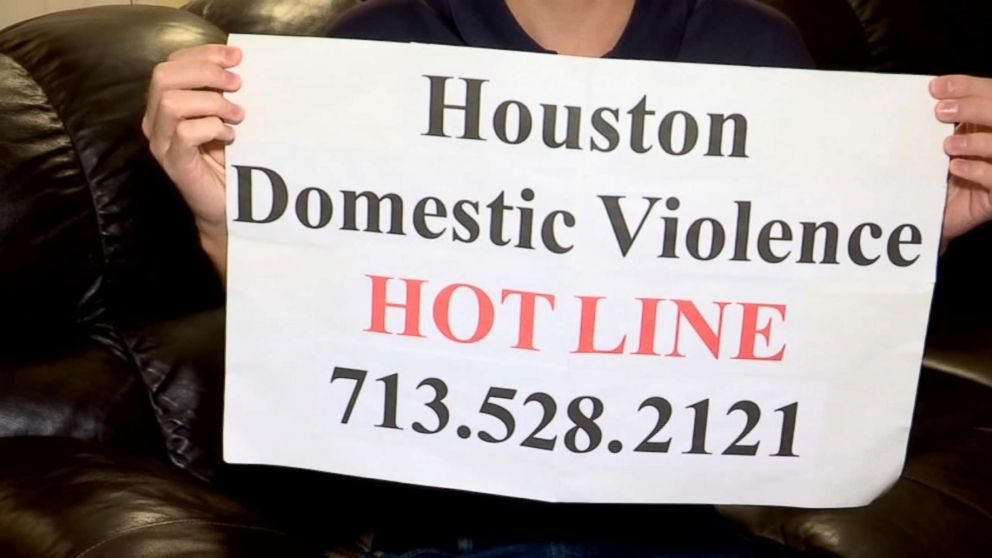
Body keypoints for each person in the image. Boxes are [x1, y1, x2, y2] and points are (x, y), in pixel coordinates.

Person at [141, 1, 992, 556]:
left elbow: (795, 315)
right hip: (442, 528)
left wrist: (917, 235)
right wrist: (225, 226)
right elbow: (321, 338)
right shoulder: (370, 52)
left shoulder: (755, 45)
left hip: (689, 523)